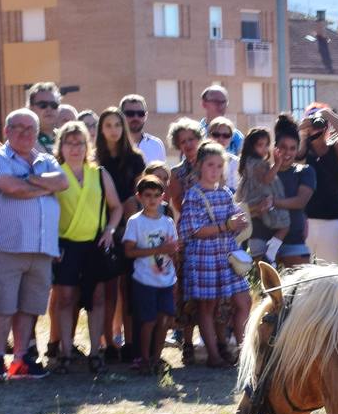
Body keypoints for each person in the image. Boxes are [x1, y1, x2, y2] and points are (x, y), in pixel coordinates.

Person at [0, 108, 67, 380]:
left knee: (30, 307)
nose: (25, 133)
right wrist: (43, 186)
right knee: (3, 306)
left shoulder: (46, 158)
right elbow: (11, 188)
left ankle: (21, 359)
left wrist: (27, 180)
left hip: (41, 248)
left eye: (30, 128)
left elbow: (63, 181)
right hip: (8, 246)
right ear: (6, 131)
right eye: (18, 127)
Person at [49, 121, 122, 373]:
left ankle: (95, 351)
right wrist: (51, 244)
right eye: (69, 143)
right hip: (65, 245)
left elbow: (116, 207)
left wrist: (110, 230)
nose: (75, 148)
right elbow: (46, 212)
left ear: (87, 145)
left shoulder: (98, 173)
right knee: (65, 298)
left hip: (95, 244)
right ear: (62, 146)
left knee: (97, 297)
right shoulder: (56, 174)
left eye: (79, 143)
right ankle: (66, 352)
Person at [178, 142, 252, 369]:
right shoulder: (193, 195)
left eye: (219, 166)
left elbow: (234, 222)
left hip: (226, 256)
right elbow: (195, 230)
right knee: (206, 307)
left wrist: (240, 223)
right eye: (210, 165)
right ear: (200, 165)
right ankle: (214, 356)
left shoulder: (225, 192)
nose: (215, 170)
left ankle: (244, 354)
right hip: (204, 257)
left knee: (244, 301)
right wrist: (227, 225)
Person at [97, 107, 147, 361]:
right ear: (101, 129)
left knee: (128, 287)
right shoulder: (95, 160)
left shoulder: (136, 158)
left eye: (118, 124)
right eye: (108, 125)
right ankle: (107, 343)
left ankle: (130, 343)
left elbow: (141, 193)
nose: (114, 130)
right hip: (101, 227)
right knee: (107, 289)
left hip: (129, 226)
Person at [122, 174, 179, 374]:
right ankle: (144, 358)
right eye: (148, 195)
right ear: (139, 196)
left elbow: (173, 250)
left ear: (163, 197)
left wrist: (174, 267)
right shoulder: (135, 222)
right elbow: (129, 251)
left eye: (156, 195)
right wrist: (157, 250)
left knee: (164, 320)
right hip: (144, 279)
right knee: (148, 321)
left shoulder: (168, 222)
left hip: (166, 279)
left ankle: (157, 358)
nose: (152, 200)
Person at [301, 102, 338, 265]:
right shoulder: (302, 152)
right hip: (306, 220)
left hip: (332, 222)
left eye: (319, 124)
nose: (316, 127)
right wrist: (302, 128)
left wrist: (327, 114)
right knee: (302, 271)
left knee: (330, 273)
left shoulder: (336, 150)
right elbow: (283, 152)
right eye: (313, 124)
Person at [269, 118, 316, 268]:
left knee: (299, 291)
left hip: (295, 241)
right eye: (283, 147)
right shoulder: (265, 172)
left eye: (292, 148)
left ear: (297, 150)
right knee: (268, 291)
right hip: (266, 241)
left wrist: (273, 202)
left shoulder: (305, 171)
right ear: (275, 147)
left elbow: (300, 201)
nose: (287, 152)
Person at [236, 126, 281, 260]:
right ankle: (271, 250)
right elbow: (267, 179)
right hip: (256, 201)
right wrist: (277, 163)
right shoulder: (257, 163)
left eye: (267, 144)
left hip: (249, 203)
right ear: (251, 146)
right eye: (260, 145)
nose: (265, 149)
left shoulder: (246, 162)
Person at [118, 94, 167, 166]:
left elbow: (162, 175)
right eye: (130, 113)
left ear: (146, 116)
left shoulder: (156, 145)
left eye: (140, 113)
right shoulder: (112, 145)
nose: (136, 117)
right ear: (120, 115)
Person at [198, 84, 242, 156]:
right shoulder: (195, 133)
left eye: (223, 102)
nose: (220, 105)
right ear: (204, 104)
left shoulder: (236, 136)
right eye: (216, 101)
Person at [25, 82, 62, 153]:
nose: (49, 108)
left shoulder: (65, 138)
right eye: (43, 105)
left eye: (53, 105)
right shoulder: (23, 140)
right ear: (31, 108)